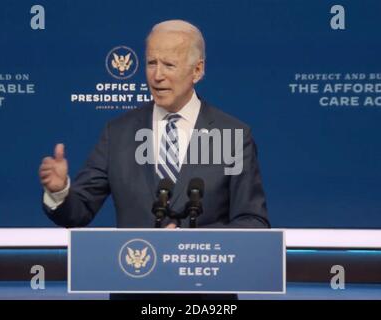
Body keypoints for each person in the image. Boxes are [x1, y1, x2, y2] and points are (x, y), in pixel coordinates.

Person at [39, 20, 269, 299]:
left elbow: (253, 223)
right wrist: (60, 190)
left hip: (205, 298)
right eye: (151, 63)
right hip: (135, 292)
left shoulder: (232, 134)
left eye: (169, 65)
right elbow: (78, 212)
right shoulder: (119, 132)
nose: (156, 75)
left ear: (197, 70)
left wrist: (193, 247)